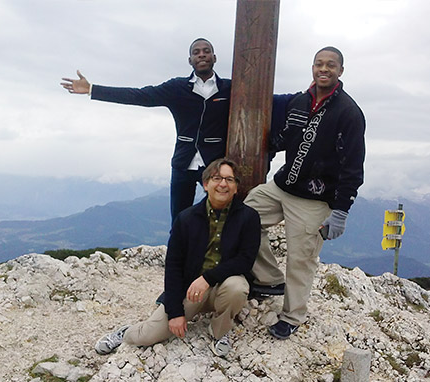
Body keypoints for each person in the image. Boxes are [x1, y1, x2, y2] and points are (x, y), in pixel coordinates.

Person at [244, 46, 366, 339]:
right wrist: (270, 146)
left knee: (301, 259)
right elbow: (288, 136)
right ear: (312, 67)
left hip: (314, 199)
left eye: (331, 65)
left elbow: (353, 166)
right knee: (245, 215)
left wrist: (340, 211)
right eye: (319, 64)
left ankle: (292, 316)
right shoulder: (300, 101)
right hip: (282, 186)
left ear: (341, 71)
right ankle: (271, 278)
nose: (324, 69)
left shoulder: (349, 113)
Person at [94, 158, 261, 357]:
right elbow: (173, 265)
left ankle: (219, 331)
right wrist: (174, 312)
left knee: (237, 287)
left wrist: (207, 279)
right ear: (206, 184)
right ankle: (125, 333)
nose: (223, 184)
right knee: (149, 335)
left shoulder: (249, 217)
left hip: (222, 287)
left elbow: (245, 260)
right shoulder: (187, 219)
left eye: (229, 179)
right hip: (190, 290)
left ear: (235, 188)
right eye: (217, 178)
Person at [61, 38, 231, 224]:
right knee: (179, 221)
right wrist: (92, 89)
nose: (201, 55)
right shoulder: (177, 88)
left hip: (215, 165)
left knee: (220, 219)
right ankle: (178, 253)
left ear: (214, 57)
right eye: (196, 52)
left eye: (206, 51)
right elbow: (140, 95)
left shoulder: (230, 89)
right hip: (183, 164)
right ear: (190, 60)